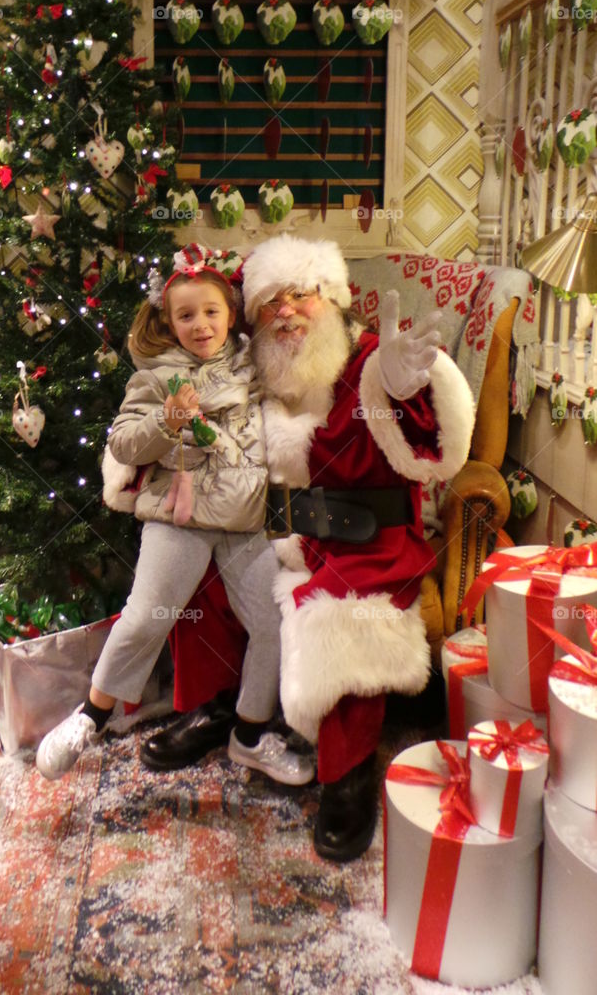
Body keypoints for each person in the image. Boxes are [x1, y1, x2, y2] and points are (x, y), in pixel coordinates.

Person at [139, 235, 475, 861]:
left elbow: (431, 441)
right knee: (202, 579)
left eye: (301, 296)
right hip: (271, 527)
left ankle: (347, 775)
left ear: (333, 298)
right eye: (270, 302)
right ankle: (221, 712)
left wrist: (407, 389)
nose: (286, 311)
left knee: (340, 619)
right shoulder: (249, 368)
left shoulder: (375, 358)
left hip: (364, 539)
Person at [36, 243, 313, 787]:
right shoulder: (155, 376)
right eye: (186, 315)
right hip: (178, 517)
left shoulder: (253, 364)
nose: (200, 324)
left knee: (275, 622)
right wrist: (165, 422)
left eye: (211, 311)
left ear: (230, 314)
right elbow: (122, 443)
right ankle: (91, 714)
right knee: (146, 617)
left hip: (244, 520)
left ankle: (252, 734)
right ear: (169, 322)